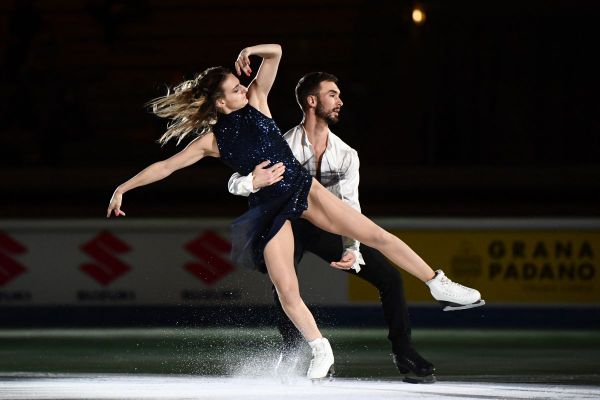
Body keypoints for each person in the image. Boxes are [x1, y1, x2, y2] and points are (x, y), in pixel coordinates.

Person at [106, 43, 485, 381]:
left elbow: (276, 52)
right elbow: (166, 166)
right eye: (235, 89)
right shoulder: (211, 141)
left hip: (304, 190)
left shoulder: (257, 102)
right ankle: (320, 348)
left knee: (376, 235)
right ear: (221, 103)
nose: (244, 87)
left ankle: (439, 284)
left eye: (242, 85)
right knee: (287, 290)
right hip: (269, 211)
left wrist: (249, 50)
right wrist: (123, 187)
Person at [228, 72, 439, 383]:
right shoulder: (281, 144)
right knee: (283, 285)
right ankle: (293, 348)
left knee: (390, 277)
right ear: (312, 101)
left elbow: (351, 207)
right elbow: (237, 179)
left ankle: (404, 351)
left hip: (326, 226)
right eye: (332, 94)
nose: (340, 101)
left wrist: (352, 248)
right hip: (287, 223)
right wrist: (249, 182)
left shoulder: (346, 154)